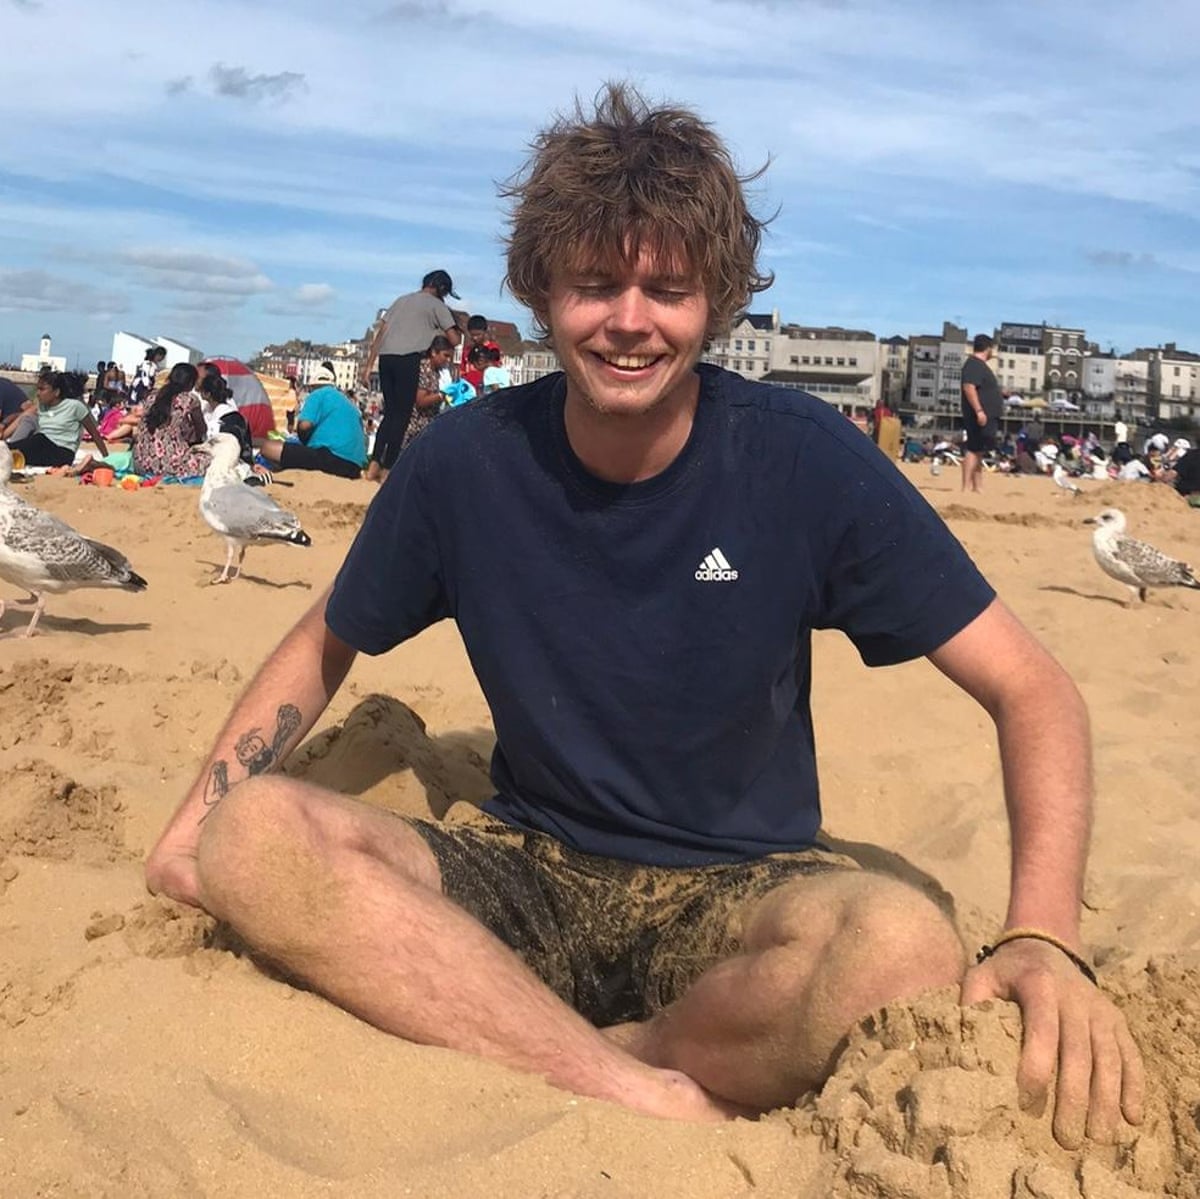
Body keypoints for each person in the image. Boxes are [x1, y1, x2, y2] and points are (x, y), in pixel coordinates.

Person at [146, 83, 1142, 1148]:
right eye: (594, 283)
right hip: (529, 867)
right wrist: (196, 820)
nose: (629, 319)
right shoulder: (466, 464)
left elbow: (1029, 684)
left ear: (716, 299)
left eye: (665, 288)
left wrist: (1044, 932)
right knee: (254, 835)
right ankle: (633, 1084)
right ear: (542, 291)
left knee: (901, 947)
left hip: (738, 892)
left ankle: (613, 1043)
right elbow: (327, 635)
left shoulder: (801, 459)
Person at [360, 271, 462, 483]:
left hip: (386, 358)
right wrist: (438, 331)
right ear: (441, 289)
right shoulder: (436, 305)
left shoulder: (401, 300)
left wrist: (369, 365)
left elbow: (381, 333)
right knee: (402, 416)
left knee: (390, 414)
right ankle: (388, 469)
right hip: (409, 359)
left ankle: (373, 466)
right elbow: (455, 339)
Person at [256, 365, 365, 479]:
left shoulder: (318, 394)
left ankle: (280, 474)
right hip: (355, 467)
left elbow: (304, 425)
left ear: (313, 386)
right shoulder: (349, 403)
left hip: (332, 459)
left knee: (268, 447)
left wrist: (303, 438)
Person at [5, 370, 109, 467]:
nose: (38, 393)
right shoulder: (42, 406)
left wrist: (107, 458)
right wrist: (4, 425)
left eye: (42, 389)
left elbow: (94, 434)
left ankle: (6, 449)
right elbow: (22, 416)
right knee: (23, 449)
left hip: (63, 452)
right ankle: (7, 450)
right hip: (42, 448)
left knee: (38, 439)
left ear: (56, 392)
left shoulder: (74, 406)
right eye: (37, 389)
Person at [132, 362, 209, 478]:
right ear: (190, 383)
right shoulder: (189, 399)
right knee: (209, 460)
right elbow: (202, 429)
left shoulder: (152, 396)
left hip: (141, 462)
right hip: (169, 464)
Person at [959, 334, 1002, 493]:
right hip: (979, 415)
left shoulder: (977, 366)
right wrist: (979, 411)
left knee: (979, 450)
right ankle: (966, 486)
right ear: (988, 348)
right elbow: (969, 388)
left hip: (984, 414)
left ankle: (977, 486)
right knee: (974, 449)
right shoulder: (974, 365)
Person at [400, 335, 455, 451]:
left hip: (425, 427)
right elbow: (420, 401)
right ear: (434, 352)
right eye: (445, 355)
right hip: (415, 428)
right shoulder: (425, 369)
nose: (448, 360)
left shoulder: (435, 371)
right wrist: (441, 395)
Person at [459, 315, 500, 393]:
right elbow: (462, 370)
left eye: (478, 335)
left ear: (485, 332)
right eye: (472, 335)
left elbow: (495, 370)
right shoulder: (467, 350)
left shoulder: (493, 349)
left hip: (484, 391)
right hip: (468, 391)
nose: (475, 338)